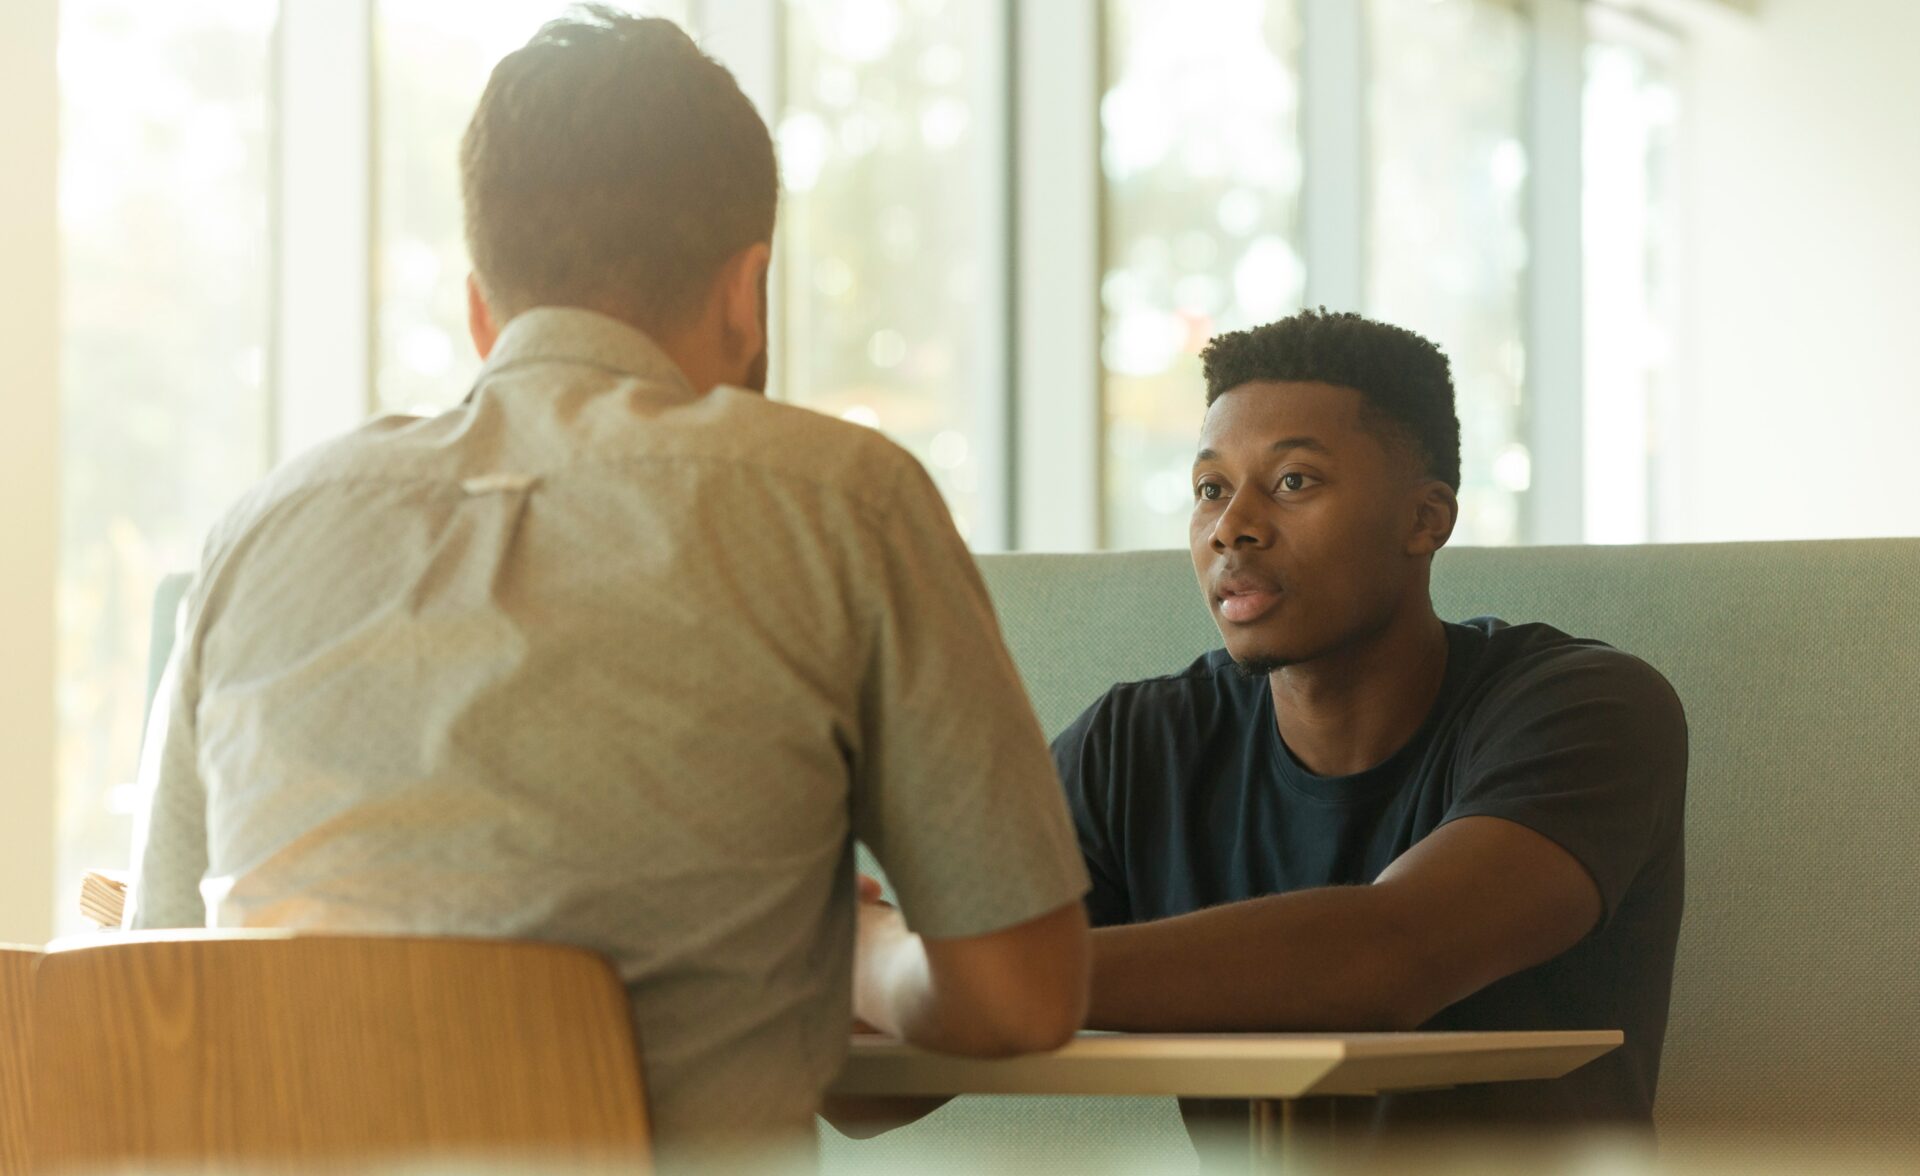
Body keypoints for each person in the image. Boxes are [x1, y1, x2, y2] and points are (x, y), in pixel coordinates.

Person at [123, 8, 1089, 1168]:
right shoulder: (843, 500)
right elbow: (1022, 998)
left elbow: (156, 989)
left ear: (484, 309)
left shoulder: (258, 532)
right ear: (749, 294)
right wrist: (866, 953)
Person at [1053, 309, 1687, 1136]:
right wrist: (870, 968)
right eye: (1211, 488)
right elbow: (873, 1093)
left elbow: (1385, 960)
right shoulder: (1135, 746)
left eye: (1292, 483)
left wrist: (968, 977)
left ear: (1426, 519)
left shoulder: (1589, 710)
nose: (1230, 527)